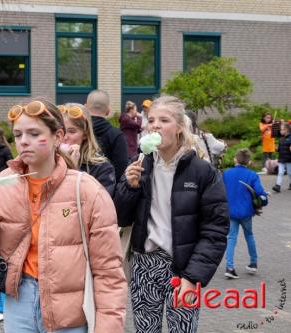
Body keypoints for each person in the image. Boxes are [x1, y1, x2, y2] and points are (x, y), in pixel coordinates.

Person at [0, 99, 127, 333]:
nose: (24, 142)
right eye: (18, 135)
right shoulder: (3, 184)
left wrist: (107, 327)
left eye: (33, 133)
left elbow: (108, 272)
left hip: (69, 313)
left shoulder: (87, 190)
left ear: (58, 137)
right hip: (18, 304)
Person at [113, 96, 229, 333]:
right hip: (144, 264)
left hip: (183, 267)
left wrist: (193, 277)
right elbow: (120, 218)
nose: (154, 125)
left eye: (164, 120)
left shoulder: (201, 170)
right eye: (151, 120)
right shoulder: (140, 163)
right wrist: (128, 188)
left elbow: (215, 230)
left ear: (179, 127)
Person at [223, 148, 268, 279]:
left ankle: (229, 267)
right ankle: (253, 263)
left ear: (235, 159)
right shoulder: (252, 175)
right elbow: (260, 194)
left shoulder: (226, 174)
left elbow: (220, 192)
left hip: (230, 212)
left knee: (231, 238)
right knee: (249, 235)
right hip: (246, 212)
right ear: (249, 162)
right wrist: (264, 202)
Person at [60, 103, 116, 196]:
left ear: (85, 134)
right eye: (61, 130)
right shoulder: (48, 163)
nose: (65, 137)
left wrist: (73, 170)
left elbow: (99, 205)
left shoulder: (102, 168)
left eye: (72, 131)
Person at [86, 89, 128, 180]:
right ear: (108, 111)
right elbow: (122, 170)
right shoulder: (116, 136)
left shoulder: (77, 133)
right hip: (108, 190)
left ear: (85, 107)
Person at [272, 122, 291, 192]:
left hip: (289, 159)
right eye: (281, 130)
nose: (281, 131)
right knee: (280, 172)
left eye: (282, 130)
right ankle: (278, 186)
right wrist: (276, 149)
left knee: (289, 173)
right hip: (281, 158)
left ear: (286, 130)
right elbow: (279, 149)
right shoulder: (281, 139)